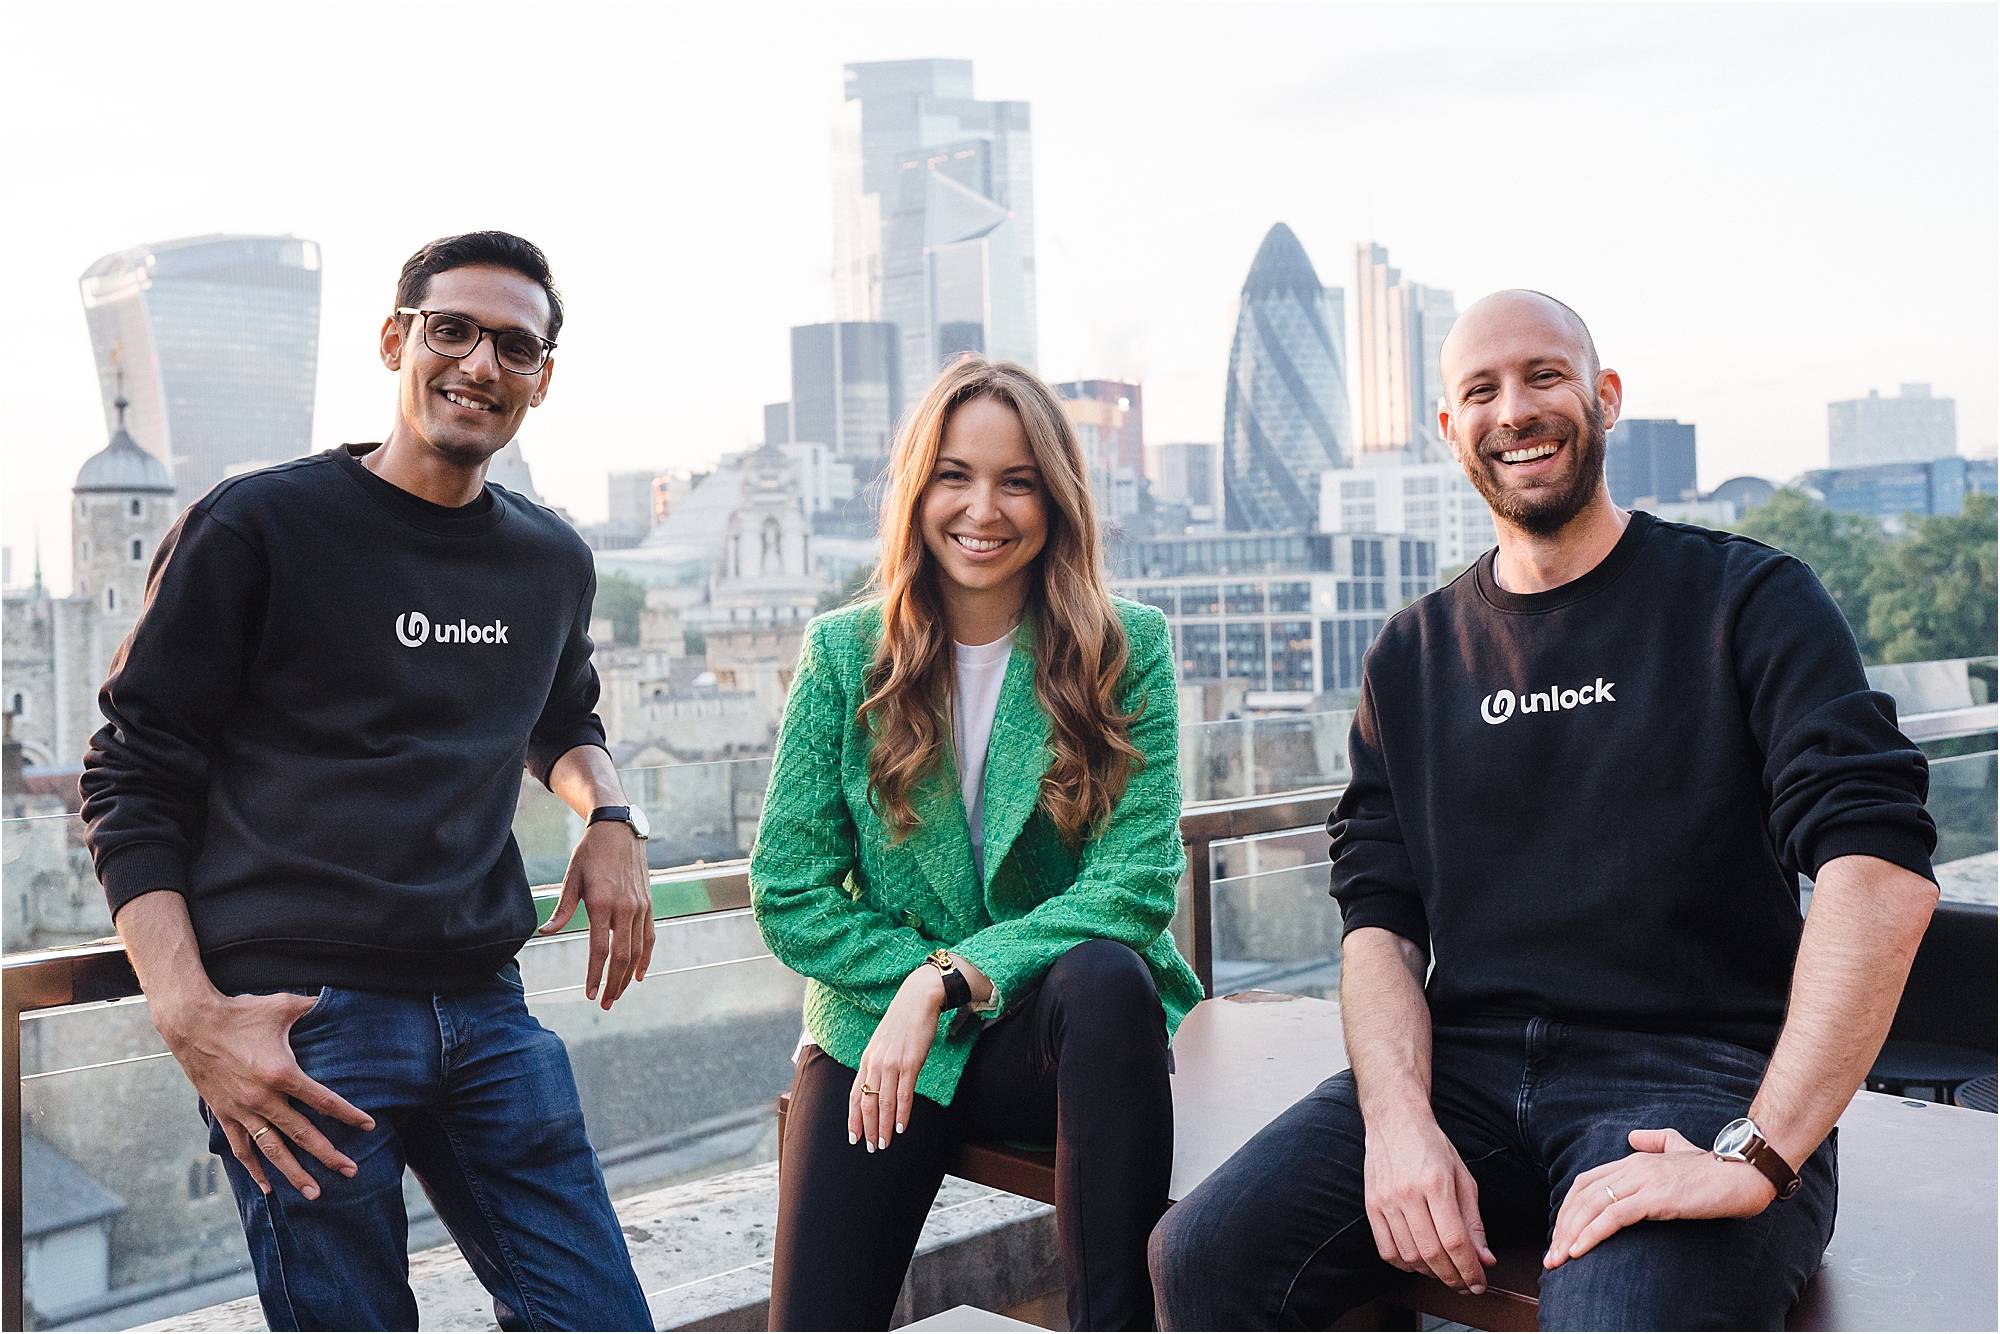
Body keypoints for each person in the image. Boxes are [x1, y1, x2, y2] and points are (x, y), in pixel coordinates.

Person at [1148, 290, 1939, 1330]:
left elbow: (1875, 866)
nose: (1512, 409)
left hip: (1694, 1081)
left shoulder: (1745, 599)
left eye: (1543, 376)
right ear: (1447, 431)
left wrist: (1759, 1148)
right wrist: (1394, 1124)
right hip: (1463, 1076)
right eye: (1479, 389)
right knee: (1200, 1254)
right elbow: (1376, 923)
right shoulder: (1411, 653)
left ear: (1603, 397)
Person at [80, 231, 657, 1331]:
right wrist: (189, 1013)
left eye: (515, 346)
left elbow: (561, 717)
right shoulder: (257, 525)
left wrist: (611, 813)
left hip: (488, 1009)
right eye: (453, 330)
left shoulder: (548, 559)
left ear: (542, 378)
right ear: (397, 339)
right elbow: (132, 769)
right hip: (302, 1023)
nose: (481, 364)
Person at [750, 358, 1201, 1331]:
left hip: (1052, 1035)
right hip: (878, 1023)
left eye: (1017, 479)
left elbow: (1133, 885)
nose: (982, 507)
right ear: (917, 489)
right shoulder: (843, 654)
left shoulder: (1127, 647)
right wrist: (910, 979)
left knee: (1108, 972)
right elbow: (789, 891)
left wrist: (950, 977)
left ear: (1055, 497)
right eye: (954, 474)